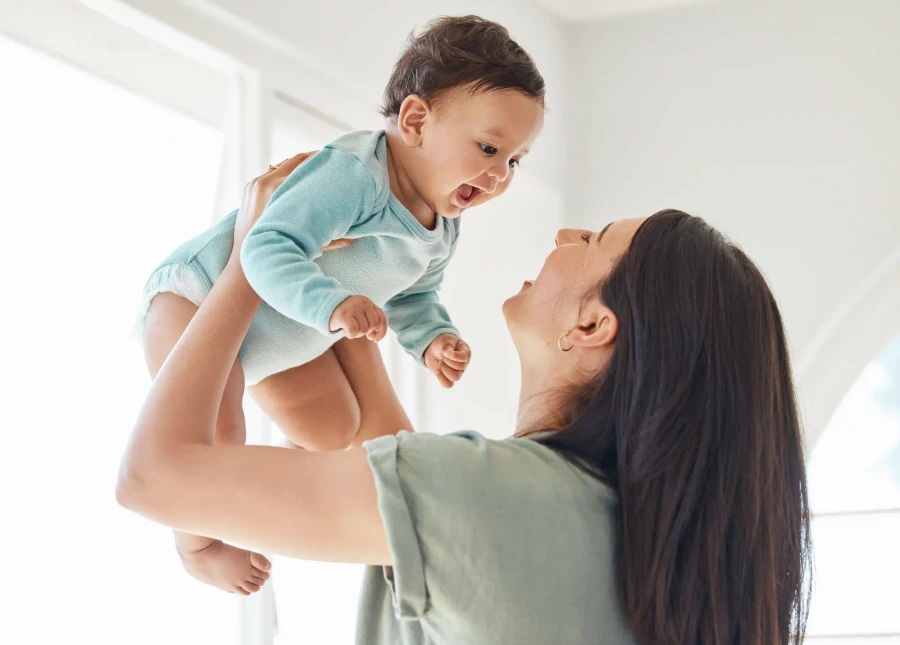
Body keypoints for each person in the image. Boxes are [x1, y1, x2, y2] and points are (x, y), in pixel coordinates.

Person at [117, 154, 812, 644]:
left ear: (593, 326)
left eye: (594, 240)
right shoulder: (615, 530)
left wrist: (249, 254)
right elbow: (376, 440)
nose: (566, 236)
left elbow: (153, 477)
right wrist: (342, 278)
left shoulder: (486, 492)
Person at [133, 15, 545, 594]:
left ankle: (271, 486)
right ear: (417, 121)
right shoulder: (354, 176)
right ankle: (195, 547)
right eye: (489, 148)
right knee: (219, 437)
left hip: (282, 331)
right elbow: (267, 245)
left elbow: (415, 294)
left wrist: (431, 338)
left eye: (515, 161)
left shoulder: (442, 227)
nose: (500, 174)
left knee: (334, 429)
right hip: (197, 299)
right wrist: (333, 306)